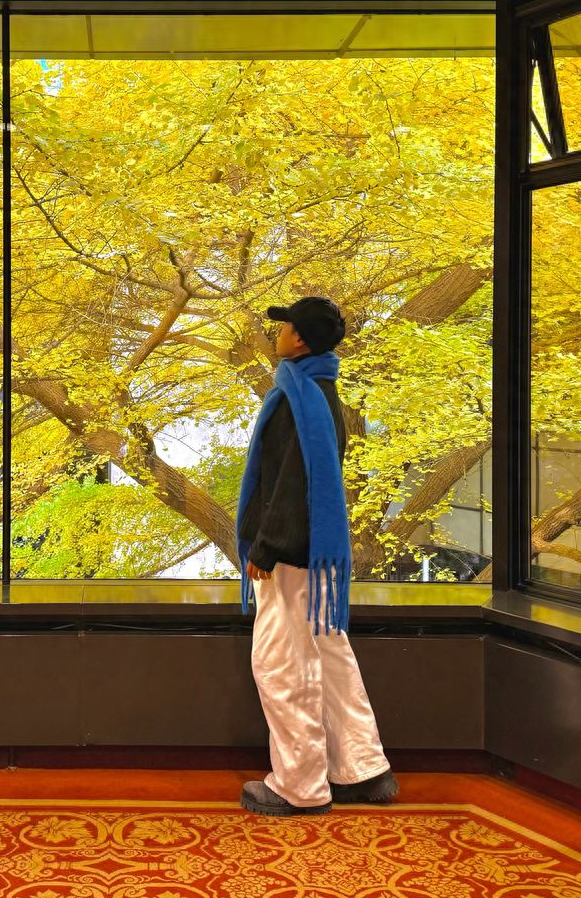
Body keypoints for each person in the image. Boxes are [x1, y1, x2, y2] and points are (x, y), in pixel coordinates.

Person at [236, 295, 397, 817]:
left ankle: (298, 784)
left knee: (281, 664)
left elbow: (292, 483)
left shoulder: (298, 398)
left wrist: (267, 546)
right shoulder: (321, 392)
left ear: (300, 340)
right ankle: (362, 768)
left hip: (290, 557)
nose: (277, 333)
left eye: (284, 326)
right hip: (315, 555)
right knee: (328, 655)